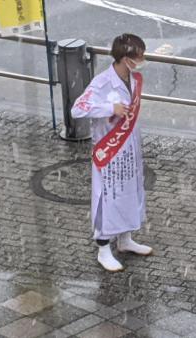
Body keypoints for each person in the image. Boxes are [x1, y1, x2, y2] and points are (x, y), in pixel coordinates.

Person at [72, 34, 153, 272]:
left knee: (130, 192)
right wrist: (109, 108)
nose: (141, 61)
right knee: (107, 197)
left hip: (129, 150)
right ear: (125, 58)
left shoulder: (134, 80)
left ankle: (125, 239)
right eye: (137, 57)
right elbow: (78, 109)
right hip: (109, 151)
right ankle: (103, 247)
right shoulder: (102, 83)